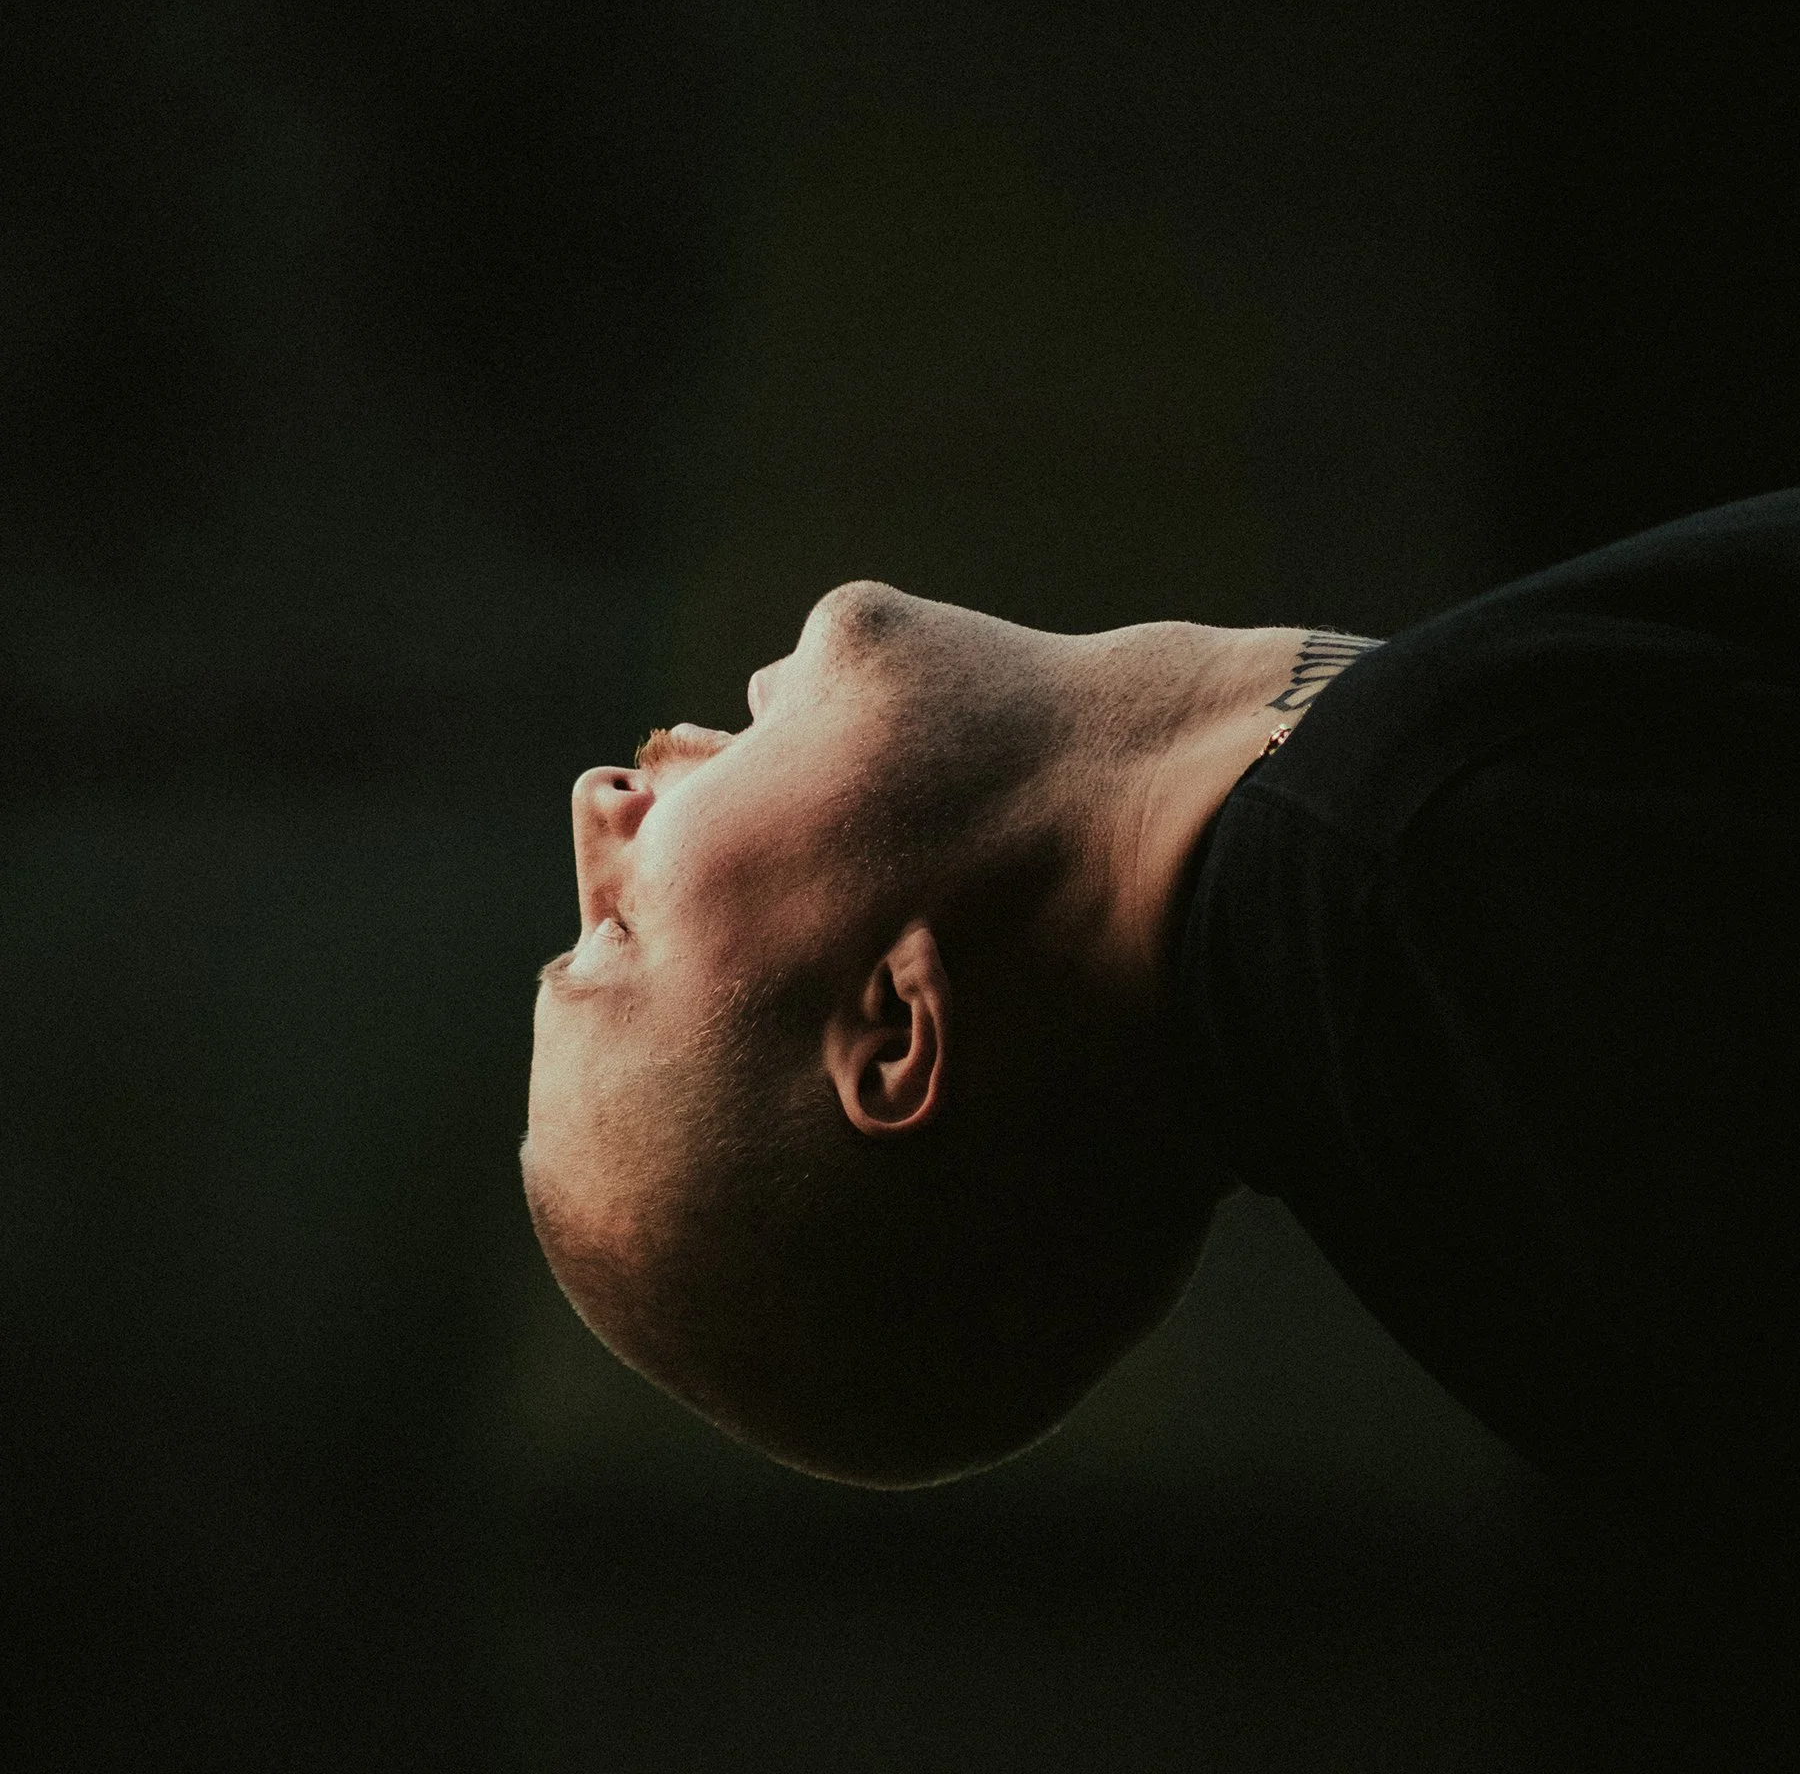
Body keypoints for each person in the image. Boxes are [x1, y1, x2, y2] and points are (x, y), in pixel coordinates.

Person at [522, 492, 1800, 1543]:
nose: (597, 801)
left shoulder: (1401, 930)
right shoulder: (1443, 919)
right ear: (898, 1031)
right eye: (613, 938)